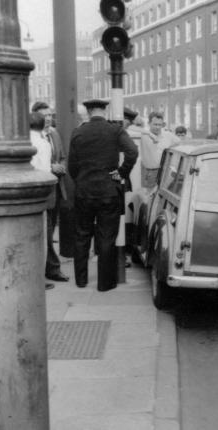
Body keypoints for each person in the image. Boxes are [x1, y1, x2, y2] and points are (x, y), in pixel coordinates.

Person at [68, 98, 138, 291]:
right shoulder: (114, 130)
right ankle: (105, 283)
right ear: (104, 112)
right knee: (107, 236)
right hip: (109, 190)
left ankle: (81, 280)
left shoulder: (78, 132)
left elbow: (71, 166)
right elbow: (132, 152)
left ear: (89, 112)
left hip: (84, 191)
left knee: (82, 235)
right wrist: (120, 174)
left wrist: (81, 179)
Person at [31, 102, 70, 284]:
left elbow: (62, 156)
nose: (48, 118)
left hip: (55, 188)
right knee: (45, 233)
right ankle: (52, 269)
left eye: (49, 115)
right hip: (41, 190)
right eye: (44, 115)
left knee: (51, 229)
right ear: (36, 118)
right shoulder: (32, 138)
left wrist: (61, 166)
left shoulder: (54, 134)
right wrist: (50, 167)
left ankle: (48, 268)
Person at [29, 112, 56, 290]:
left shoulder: (25, 141)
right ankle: (38, 277)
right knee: (41, 238)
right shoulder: (43, 143)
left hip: (24, 194)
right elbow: (46, 170)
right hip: (40, 194)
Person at [140, 111, 179, 188]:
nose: (157, 127)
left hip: (166, 172)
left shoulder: (168, 135)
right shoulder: (143, 136)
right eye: (155, 124)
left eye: (160, 125)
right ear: (149, 123)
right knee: (149, 196)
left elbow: (180, 143)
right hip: (150, 172)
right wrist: (150, 134)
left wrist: (173, 164)